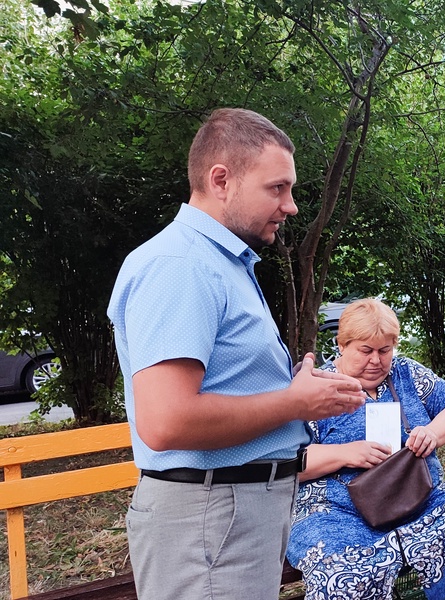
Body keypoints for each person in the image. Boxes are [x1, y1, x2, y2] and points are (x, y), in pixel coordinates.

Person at [108, 108, 367, 600]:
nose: (290, 206)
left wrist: (290, 389)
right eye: (277, 188)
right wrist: (294, 403)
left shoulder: (218, 263)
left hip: (229, 515)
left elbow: (219, 385)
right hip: (210, 519)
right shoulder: (181, 266)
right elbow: (166, 421)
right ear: (221, 180)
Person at [287, 298, 445, 600]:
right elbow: (289, 460)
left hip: (416, 495)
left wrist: (432, 434)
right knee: (341, 571)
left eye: (384, 350)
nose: (376, 360)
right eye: (366, 350)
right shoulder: (317, 386)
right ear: (342, 344)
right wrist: (345, 453)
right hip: (337, 512)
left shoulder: (405, 373)